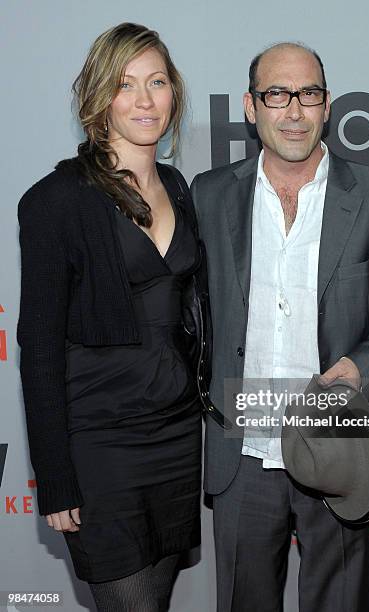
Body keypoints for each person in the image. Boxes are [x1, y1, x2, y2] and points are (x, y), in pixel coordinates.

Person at [191, 42, 369, 611]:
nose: (294, 110)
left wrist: (357, 370)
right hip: (243, 450)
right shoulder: (209, 196)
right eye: (276, 94)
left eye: (307, 94)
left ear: (327, 105)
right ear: (251, 108)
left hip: (343, 444)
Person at [17, 23, 206, 612]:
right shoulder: (55, 201)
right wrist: (55, 476)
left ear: (174, 92)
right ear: (99, 98)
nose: (145, 100)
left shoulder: (177, 186)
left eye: (157, 82)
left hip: (177, 433)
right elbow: (39, 348)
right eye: (126, 85)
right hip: (101, 443)